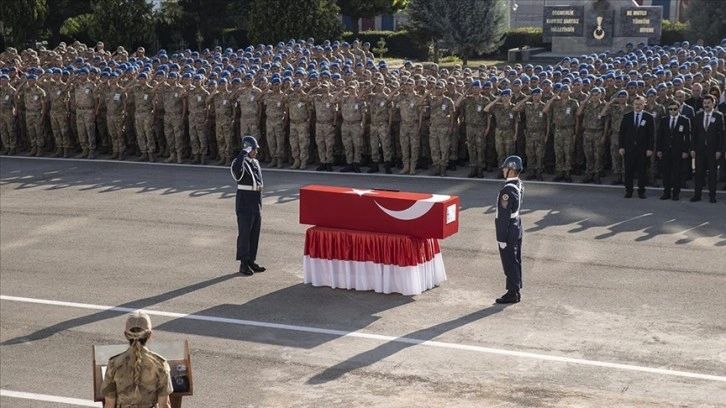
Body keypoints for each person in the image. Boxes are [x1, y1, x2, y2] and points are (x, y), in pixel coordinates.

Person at [101, 312, 173, 408]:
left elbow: (109, 404)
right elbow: (164, 404)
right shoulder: (159, 364)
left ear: (126, 335)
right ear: (150, 335)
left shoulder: (114, 363)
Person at [231, 135, 266, 275]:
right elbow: (237, 171)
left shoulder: (255, 162)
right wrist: (243, 153)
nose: (255, 152)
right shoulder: (239, 162)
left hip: (256, 199)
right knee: (245, 233)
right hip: (245, 200)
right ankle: (243, 263)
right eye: (253, 149)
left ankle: (251, 260)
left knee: (254, 232)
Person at [494, 155, 524, 304]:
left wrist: (501, 237)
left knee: (509, 260)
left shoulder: (507, 191)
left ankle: (512, 292)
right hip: (517, 224)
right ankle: (516, 288)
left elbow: (504, 216)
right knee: (516, 259)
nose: (504, 170)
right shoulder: (519, 184)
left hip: (509, 227)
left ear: (511, 170)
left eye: (506, 168)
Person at [619, 96, 655, 199]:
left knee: (642, 171)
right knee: (628, 171)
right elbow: (622, 133)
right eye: (636, 104)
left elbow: (651, 135)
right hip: (629, 149)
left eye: (640, 104)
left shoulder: (648, 117)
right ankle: (629, 191)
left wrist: (650, 148)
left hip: (642, 149)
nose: (638, 106)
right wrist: (621, 147)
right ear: (633, 105)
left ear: (644, 104)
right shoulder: (627, 116)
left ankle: (641, 191)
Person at [690, 95, 725, 203]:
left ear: (713, 103)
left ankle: (712, 196)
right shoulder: (698, 115)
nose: (706, 105)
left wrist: (719, 150)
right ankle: (697, 195)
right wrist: (692, 148)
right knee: (699, 173)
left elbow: (721, 135)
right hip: (700, 150)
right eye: (705, 103)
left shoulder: (718, 116)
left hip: (713, 150)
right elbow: (694, 133)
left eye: (708, 103)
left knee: (713, 174)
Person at [656, 100, 691, 201]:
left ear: (679, 109)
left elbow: (687, 137)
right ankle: (666, 192)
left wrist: (686, 150)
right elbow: (660, 136)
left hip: (678, 151)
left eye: (675, 109)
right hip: (666, 150)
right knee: (666, 172)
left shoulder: (684, 120)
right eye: (670, 109)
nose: (672, 111)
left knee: (677, 173)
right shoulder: (664, 120)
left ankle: (676, 193)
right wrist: (659, 149)